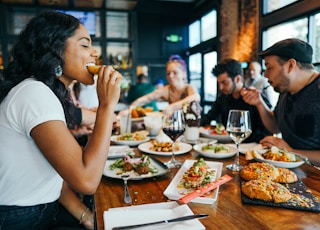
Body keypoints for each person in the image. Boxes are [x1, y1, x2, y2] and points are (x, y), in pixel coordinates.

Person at [0, 11, 122, 229]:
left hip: (39, 211)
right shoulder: (33, 93)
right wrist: (106, 106)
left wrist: (85, 216)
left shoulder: (44, 92)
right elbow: (86, 180)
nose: (95, 53)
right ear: (55, 49)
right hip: (18, 220)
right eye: (85, 45)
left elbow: (54, 174)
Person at [241, 38, 320, 165]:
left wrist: (291, 151)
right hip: (291, 171)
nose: (265, 75)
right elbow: (275, 126)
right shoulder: (285, 90)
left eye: (269, 67)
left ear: (291, 65)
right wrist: (259, 103)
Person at [200, 58, 272, 143]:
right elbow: (208, 117)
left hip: (251, 149)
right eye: (219, 83)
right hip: (228, 146)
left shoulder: (255, 98)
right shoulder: (223, 98)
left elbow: (268, 131)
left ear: (237, 79)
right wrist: (192, 121)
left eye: (225, 83)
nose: (221, 87)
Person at [128, 55, 200, 111]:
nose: (171, 76)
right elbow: (146, 98)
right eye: (168, 73)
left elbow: (196, 97)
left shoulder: (188, 88)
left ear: (184, 74)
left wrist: (172, 107)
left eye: (175, 73)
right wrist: (131, 108)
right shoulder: (167, 90)